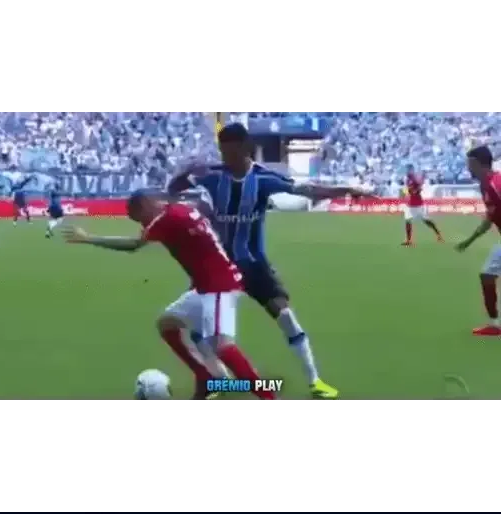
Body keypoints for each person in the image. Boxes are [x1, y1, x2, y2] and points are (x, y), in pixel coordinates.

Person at [168, 123, 372, 399]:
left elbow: (308, 189)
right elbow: (174, 189)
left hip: (254, 265)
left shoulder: (263, 178)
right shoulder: (213, 175)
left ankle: (315, 381)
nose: (225, 158)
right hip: (218, 268)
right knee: (199, 330)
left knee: (286, 316)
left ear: (244, 148)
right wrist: (185, 171)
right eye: (222, 152)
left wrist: (346, 188)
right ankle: (219, 381)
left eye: (229, 152)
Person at [62, 189, 277, 400]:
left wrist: (89, 238)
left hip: (220, 287)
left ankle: (267, 395)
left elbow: (133, 245)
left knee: (224, 347)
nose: (142, 225)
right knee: (167, 323)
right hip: (205, 287)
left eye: (139, 218)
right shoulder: (180, 209)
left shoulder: (164, 220)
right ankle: (205, 376)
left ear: (145, 205)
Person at [456, 146, 501, 336]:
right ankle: (494, 325)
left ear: (477, 163)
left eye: (470, 164)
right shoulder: (485, 186)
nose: (468, 169)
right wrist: (469, 241)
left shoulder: (497, 182)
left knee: (487, 275)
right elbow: (489, 219)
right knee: (487, 275)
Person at [401, 165, 443, 246]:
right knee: (408, 221)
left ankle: (438, 234)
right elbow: (407, 190)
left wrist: (414, 191)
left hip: (418, 204)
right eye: (406, 169)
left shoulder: (415, 178)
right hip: (410, 204)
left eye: (408, 169)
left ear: (412, 170)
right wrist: (407, 193)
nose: (407, 171)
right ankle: (409, 240)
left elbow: (419, 188)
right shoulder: (407, 179)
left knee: (426, 221)